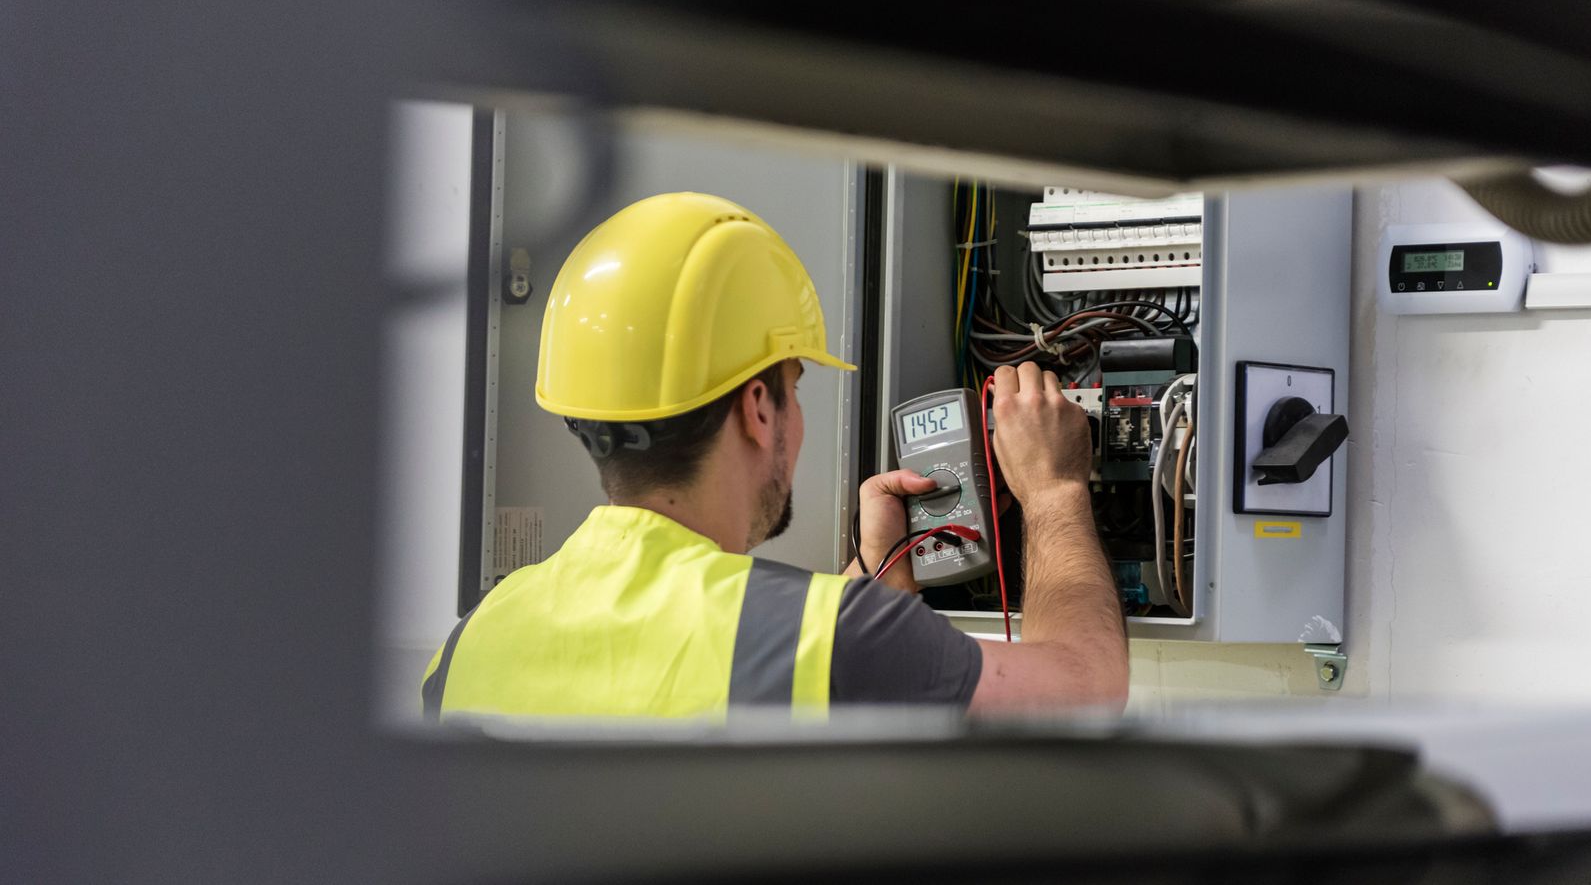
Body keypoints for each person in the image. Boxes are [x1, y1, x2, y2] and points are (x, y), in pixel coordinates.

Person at [421, 192, 1129, 720]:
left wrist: (874, 569)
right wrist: (1053, 489)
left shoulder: (467, 646)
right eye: (795, 385)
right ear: (758, 408)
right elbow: (1087, 693)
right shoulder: (835, 637)